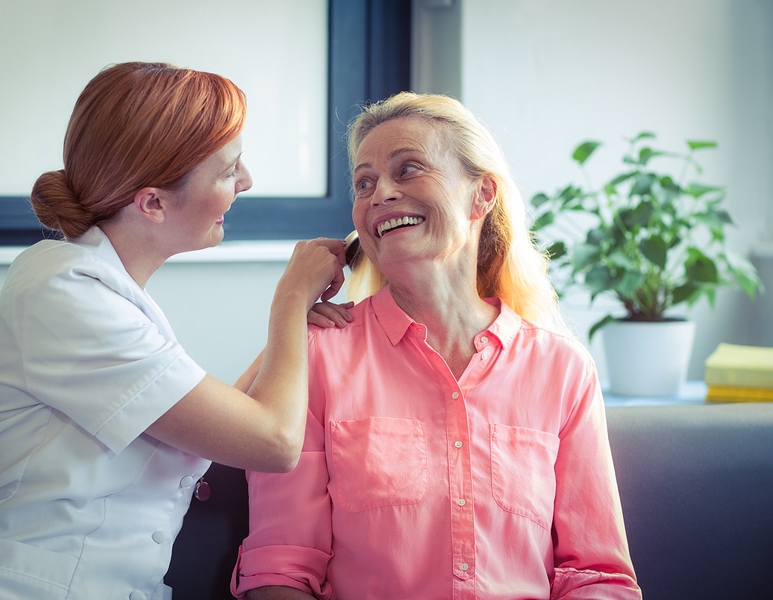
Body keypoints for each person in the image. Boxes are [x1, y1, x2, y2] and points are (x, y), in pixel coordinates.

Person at [0, 62, 346, 600]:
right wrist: (289, 299)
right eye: (230, 170)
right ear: (153, 203)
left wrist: (292, 331)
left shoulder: (97, 293)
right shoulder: (65, 297)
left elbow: (213, 421)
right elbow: (273, 442)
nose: (247, 182)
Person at [231, 92, 642, 599]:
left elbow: (598, 577)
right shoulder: (319, 356)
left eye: (408, 170)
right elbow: (280, 571)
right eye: (364, 182)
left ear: (481, 195)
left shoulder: (562, 368)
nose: (380, 192)